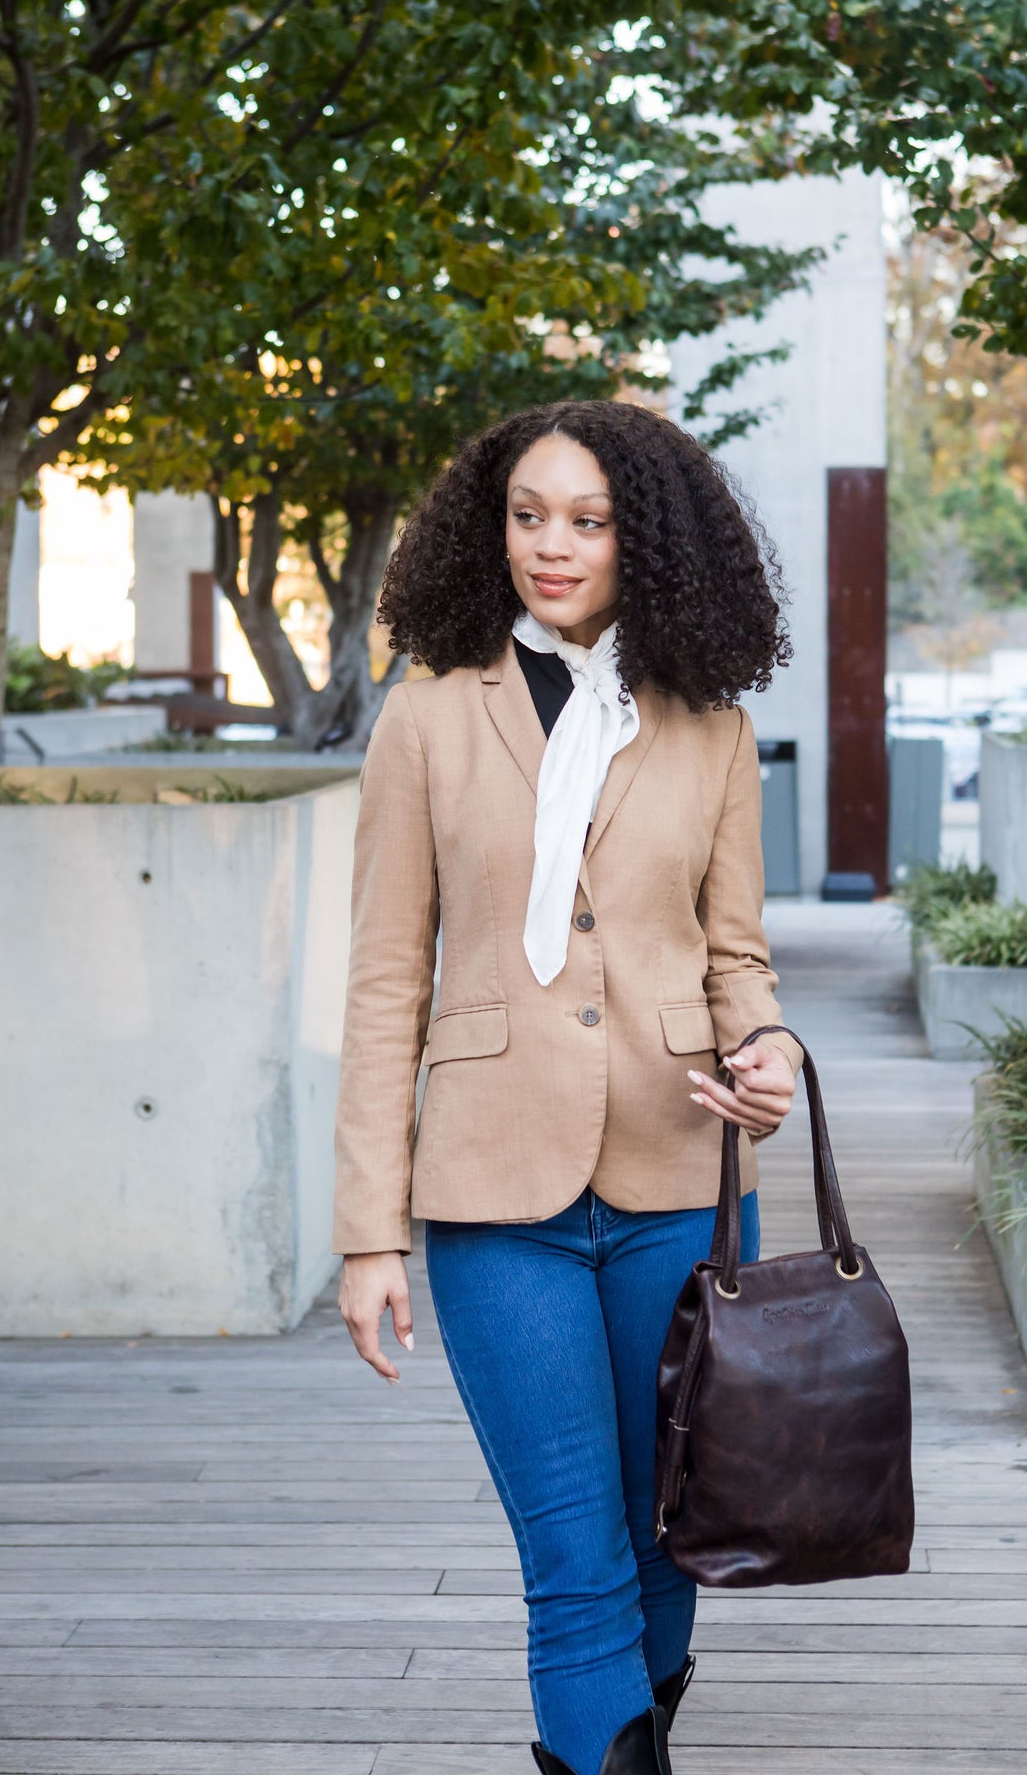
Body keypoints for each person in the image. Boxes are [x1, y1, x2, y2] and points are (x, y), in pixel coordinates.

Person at [332, 400, 802, 1775]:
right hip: (495, 1194)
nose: (551, 545)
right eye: (527, 515)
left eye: (587, 522)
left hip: (682, 1178)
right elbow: (384, 982)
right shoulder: (429, 716)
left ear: (641, 538)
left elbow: (736, 955)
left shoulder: (710, 725)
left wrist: (769, 1052)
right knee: (573, 1555)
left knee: (668, 1536)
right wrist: (368, 1232)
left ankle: (624, 1729)